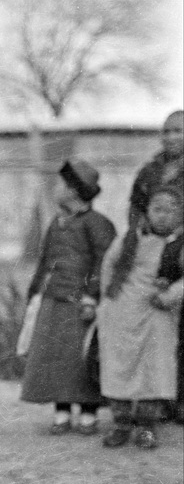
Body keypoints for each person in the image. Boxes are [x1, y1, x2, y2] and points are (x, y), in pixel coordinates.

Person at [20, 159, 116, 434]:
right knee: (56, 357)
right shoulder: (56, 223)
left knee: (82, 357)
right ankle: (61, 410)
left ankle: (88, 411)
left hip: (81, 303)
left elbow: (103, 263)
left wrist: (92, 297)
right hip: (54, 299)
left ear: (74, 191)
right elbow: (45, 260)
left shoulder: (97, 224)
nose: (57, 189)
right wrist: (35, 291)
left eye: (62, 184)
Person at [110, 110, 184, 422]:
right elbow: (136, 210)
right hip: (154, 252)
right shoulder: (149, 171)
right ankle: (158, 399)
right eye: (166, 131)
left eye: (178, 131)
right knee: (158, 330)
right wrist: (142, 239)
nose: (170, 137)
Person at [98, 187, 183, 448]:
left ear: (180, 213)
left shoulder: (179, 245)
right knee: (119, 365)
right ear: (146, 211)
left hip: (158, 314)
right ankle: (122, 423)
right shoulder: (127, 240)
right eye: (157, 208)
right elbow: (108, 268)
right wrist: (107, 302)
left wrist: (168, 296)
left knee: (153, 369)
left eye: (169, 209)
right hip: (122, 311)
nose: (162, 215)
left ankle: (146, 425)